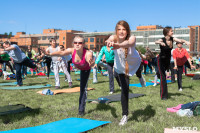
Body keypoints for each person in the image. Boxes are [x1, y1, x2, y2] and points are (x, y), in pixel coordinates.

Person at [43, 35, 94, 116]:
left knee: (83, 88)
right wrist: (50, 54)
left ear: (83, 44)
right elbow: (62, 52)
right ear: (73, 44)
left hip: (86, 69)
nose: (77, 44)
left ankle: (81, 110)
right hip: (79, 67)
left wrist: (91, 62)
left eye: (80, 43)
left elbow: (89, 58)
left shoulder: (88, 53)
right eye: (75, 42)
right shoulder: (71, 50)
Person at [106, 20, 141, 126]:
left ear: (127, 31)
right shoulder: (114, 37)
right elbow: (108, 41)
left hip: (134, 62)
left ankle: (140, 77)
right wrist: (109, 42)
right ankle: (125, 115)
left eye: (124, 29)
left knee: (139, 71)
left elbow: (129, 43)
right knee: (124, 90)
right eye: (119, 29)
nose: (121, 32)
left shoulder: (132, 37)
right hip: (121, 67)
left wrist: (118, 45)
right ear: (116, 30)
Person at [155, 26, 191, 100]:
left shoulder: (172, 39)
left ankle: (158, 73)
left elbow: (179, 40)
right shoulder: (162, 39)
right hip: (161, 60)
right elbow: (156, 41)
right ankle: (164, 96)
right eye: (171, 31)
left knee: (162, 75)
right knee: (163, 77)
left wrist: (185, 41)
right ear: (167, 32)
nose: (172, 32)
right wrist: (160, 43)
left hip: (167, 61)